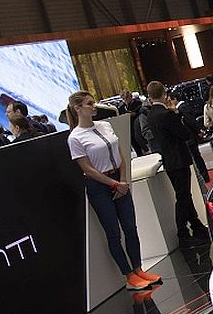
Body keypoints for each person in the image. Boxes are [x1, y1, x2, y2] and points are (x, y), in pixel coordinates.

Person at [66, 90, 160, 291]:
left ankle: (139, 269)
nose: (94, 106)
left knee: (131, 228)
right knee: (113, 233)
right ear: (78, 109)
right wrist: (114, 184)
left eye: (93, 102)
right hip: (99, 186)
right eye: (89, 103)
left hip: (119, 179)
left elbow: (120, 154)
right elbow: (87, 169)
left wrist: (123, 180)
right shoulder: (75, 137)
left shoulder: (105, 125)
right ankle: (129, 276)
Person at [145, 81, 210, 250]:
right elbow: (184, 134)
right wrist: (176, 115)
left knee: (184, 195)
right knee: (183, 197)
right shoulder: (166, 114)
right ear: (164, 93)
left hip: (169, 160)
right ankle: (183, 233)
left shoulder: (151, 115)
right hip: (179, 159)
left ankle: (196, 226)